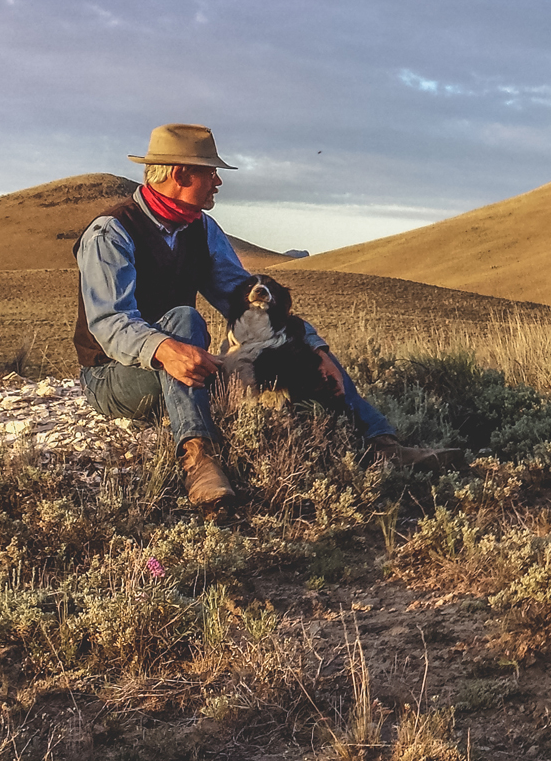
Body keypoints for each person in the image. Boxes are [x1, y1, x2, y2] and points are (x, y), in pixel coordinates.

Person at [73, 123, 456, 507]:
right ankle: (199, 461)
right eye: (210, 172)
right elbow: (109, 322)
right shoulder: (112, 233)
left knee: (302, 345)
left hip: (183, 367)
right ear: (180, 174)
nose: (218, 182)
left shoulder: (200, 228)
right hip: (113, 377)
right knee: (184, 319)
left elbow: (243, 297)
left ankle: (381, 443)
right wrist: (166, 349)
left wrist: (315, 348)